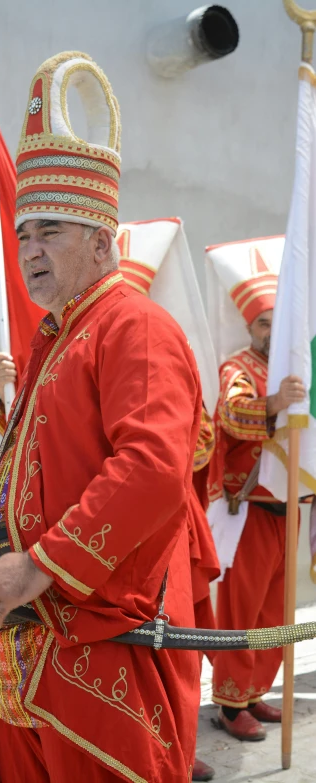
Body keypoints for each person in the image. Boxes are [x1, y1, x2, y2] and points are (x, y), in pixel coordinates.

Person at [0, 52, 203, 783]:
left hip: (93, 661)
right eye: (23, 236)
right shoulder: (57, 338)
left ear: (101, 241)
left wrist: (37, 565)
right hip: (29, 654)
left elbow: (151, 470)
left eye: (48, 231)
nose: (29, 251)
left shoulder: (135, 327)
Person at [116, 220, 220, 782]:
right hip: (106, 541)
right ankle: (150, 757)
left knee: (174, 650)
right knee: (127, 657)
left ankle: (175, 753)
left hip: (165, 531)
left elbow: (199, 444)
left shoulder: (159, 345)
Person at [206, 238, 306, 741]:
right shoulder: (238, 368)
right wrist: (274, 401)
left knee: (274, 611)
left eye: (276, 320)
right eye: (262, 322)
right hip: (248, 508)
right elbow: (232, 415)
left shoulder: (298, 369)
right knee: (240, 615)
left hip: (290, 506)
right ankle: (228, 704)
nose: (270, 330)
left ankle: (254, 691)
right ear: (250, 327)